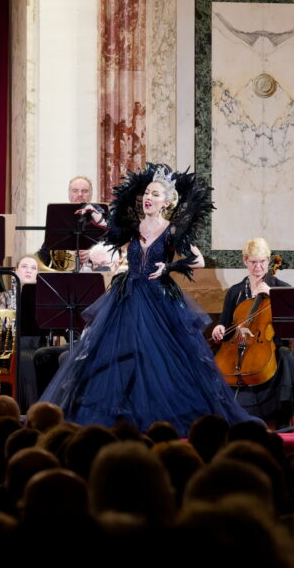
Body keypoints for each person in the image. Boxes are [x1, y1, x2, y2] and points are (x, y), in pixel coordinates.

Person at [39, 163, 253, 432]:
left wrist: (170, 267)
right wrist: (95, 213)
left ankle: (162, 419)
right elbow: (111, 228)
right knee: (116, 356)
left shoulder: (172, 230)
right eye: (147, 194)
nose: (149, 198)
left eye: (155, 194)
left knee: (159, 358)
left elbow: (197, 259)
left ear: (166, 203)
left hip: (158, 300)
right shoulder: (134, 226)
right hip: (127, 296)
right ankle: (120, 417)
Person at [210, 237, 294, 427]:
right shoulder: (236, 291)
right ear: (245, 261)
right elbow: (225, 325)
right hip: (239, 346)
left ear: (268, 261)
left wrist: (273, 295)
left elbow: (291, 324)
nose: (258, 267)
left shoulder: (282, 288)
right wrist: (220, 328)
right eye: (253, 262)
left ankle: (283, 415)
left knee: (286, 355)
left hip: (271, 347)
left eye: (262, 261)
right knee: (214, 360)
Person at [0, 254, 44, 407]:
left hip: (38, 343)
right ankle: (29, 408)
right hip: (12, 344)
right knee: (24, 358)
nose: (29, 270)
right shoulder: (6, 296)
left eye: (33, 268)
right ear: (15, 272)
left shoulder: (43, 298)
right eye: (24, 266)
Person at [38, 176, 105, 271]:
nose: (80, 194)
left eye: (85, 191)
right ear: (69, 194)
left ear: (91, 195)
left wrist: (93, 254)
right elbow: (44, 254)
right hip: (63, 279)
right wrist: (27, 262)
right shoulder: (59, 221)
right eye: (75, 191)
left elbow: (114, 251)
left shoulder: (102, 220)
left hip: (93, 276)